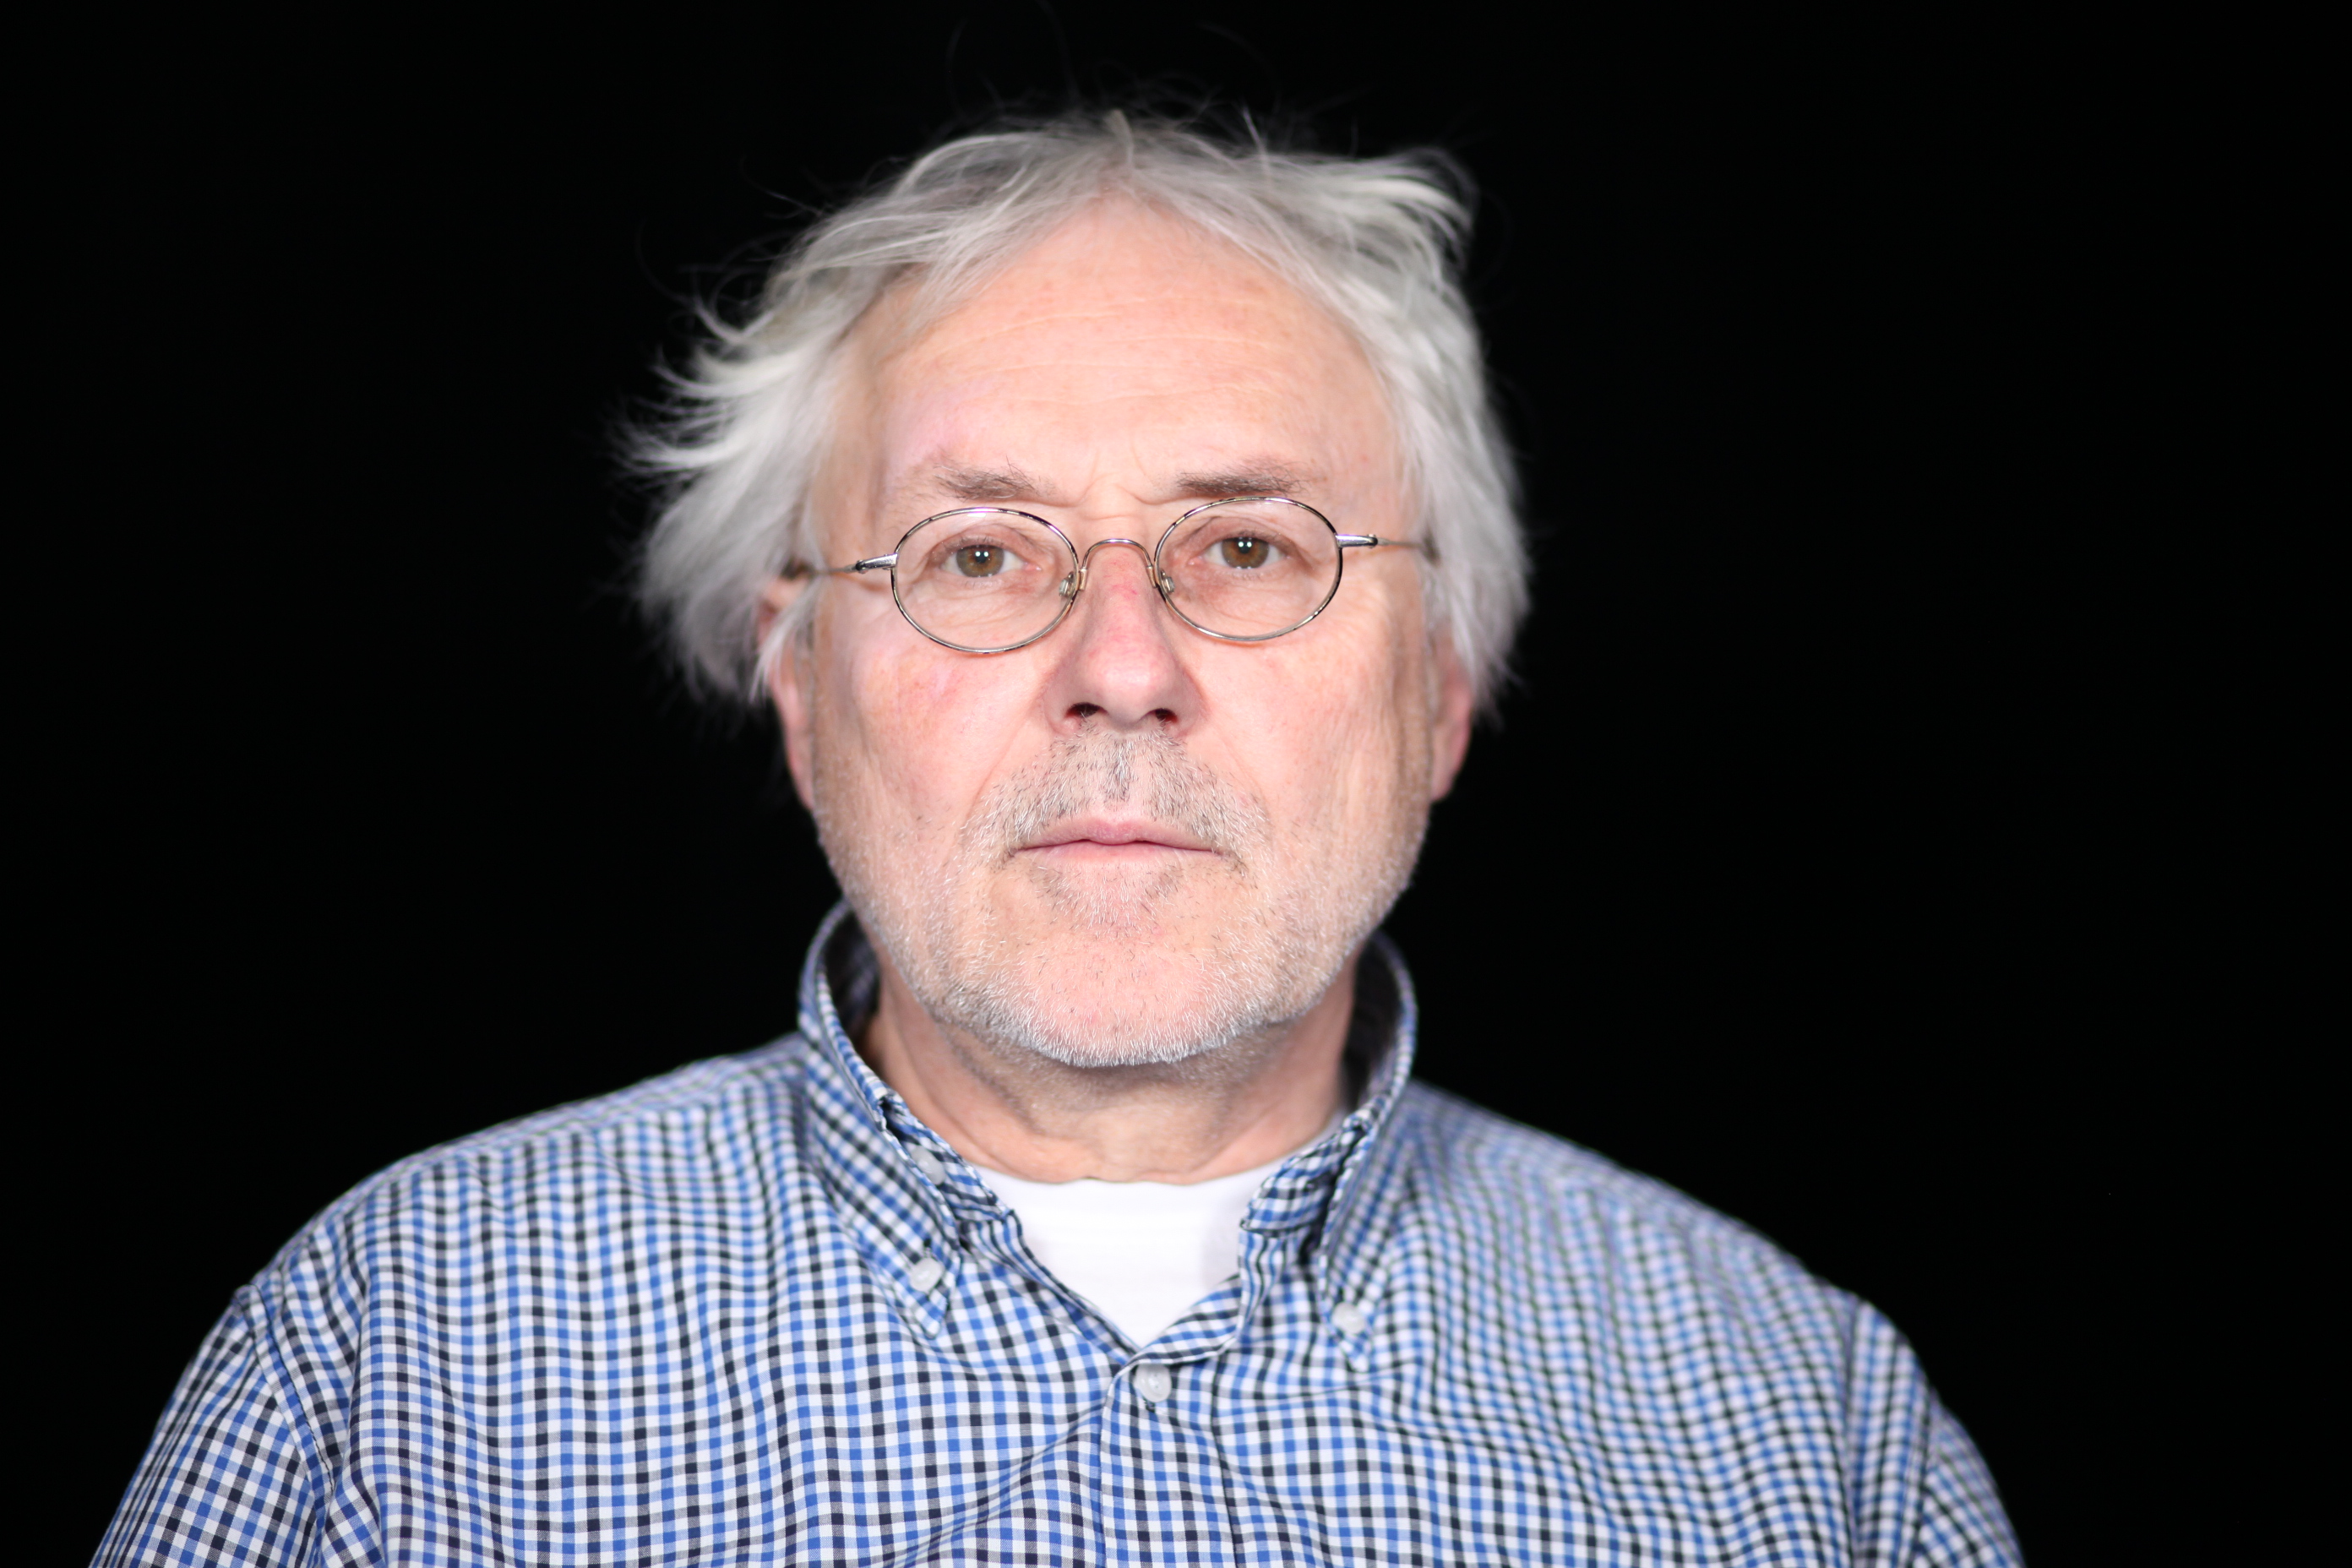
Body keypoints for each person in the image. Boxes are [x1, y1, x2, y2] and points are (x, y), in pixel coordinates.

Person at [99, 112, 2019, 1565]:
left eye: (1247, 546)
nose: (1121, 668)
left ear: (1439, 691)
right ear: (802, 684)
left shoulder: (1811, 1437)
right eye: (980, 555)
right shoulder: (394, 1360)